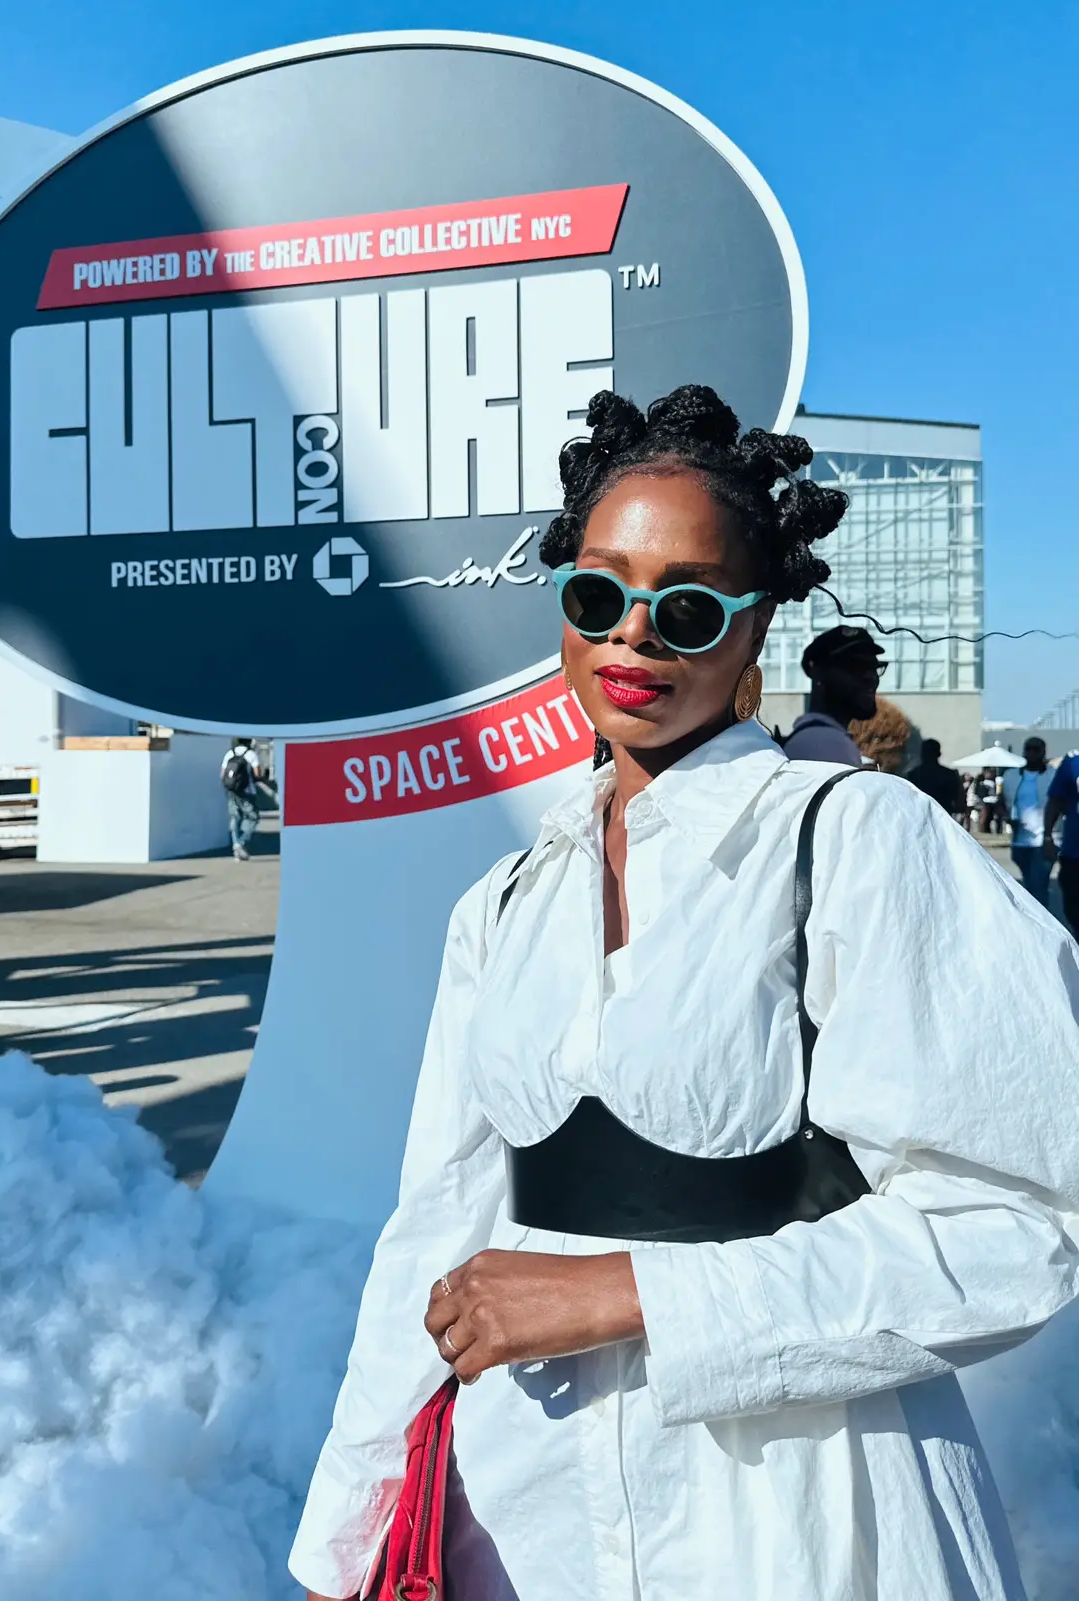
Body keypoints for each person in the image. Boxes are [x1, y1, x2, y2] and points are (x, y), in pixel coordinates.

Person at [291, 386, 1079, 1601]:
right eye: (600, 593)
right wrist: (347, 1537)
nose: (638, 637)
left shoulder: (852, 841)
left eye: (691, 606)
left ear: (755, 632)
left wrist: (626, 1292)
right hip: (525, 1512)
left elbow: (1026, 1213)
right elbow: (435, 1228)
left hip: (797, 1512)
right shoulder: (503, 902)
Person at [781, 624, 886, 764]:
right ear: (818, 673)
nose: (871, 677)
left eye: (874, 667)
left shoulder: (822, 738)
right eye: (856, 666)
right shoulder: (823, 743)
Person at [1002, 737, 1053, 906]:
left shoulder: (1052, 775)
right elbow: (1001, 802)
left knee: (1037, 887)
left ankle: (1042, 926)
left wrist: (1050, 836)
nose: (1032, 752)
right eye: (1029, 748)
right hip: (1020, 841)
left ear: (1043, 752)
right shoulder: (1011, 776)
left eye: (1036, 749)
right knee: (1029, 885)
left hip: (1044, 840)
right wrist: (1007, 817)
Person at [1046, 748, 1079, 934]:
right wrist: (1047, 836)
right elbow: (1055, 801)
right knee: (1074, 912)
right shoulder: (1073, 760)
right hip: (1075, 852)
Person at [905, 736, 966, 820]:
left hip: (919, 819)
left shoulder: (912, 775)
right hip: (943, 819)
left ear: (922, 754)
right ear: (939, 754)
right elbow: (960, 805)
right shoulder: (950, 774)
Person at [221, 735, 260, 860]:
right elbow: (257, 774)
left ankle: (236, 846)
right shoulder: (251, 754)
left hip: (232, 791)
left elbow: (222, 774)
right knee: (253, 817)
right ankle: (240, 843)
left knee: (235, 817)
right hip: (247, 792)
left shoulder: (229, 754)